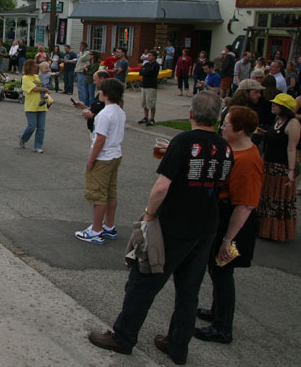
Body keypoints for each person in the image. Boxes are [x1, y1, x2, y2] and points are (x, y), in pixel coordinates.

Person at [88, 91, 233, 365]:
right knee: (189, 290)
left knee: (143, 281)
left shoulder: (183, 142)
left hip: (174, 225)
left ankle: (123, 336)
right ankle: (178, 346)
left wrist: (148, 215)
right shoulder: (225, 148)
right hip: (206, 226)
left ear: (191, 114)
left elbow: (162, 187)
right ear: (216, 118)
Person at [195, 106, 263, 345]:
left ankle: (222, 327)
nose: (221, 126)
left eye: (227, 123)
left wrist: (227, 240)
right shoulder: (234, 150)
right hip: (222, 218)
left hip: (234, 225)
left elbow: (245, 205)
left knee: (223, 272)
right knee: (216, 269)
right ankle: (216, 311)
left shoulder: (248, 162)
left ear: (241, 130)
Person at [75, 78, 125, 244]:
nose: (99, 93)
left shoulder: (104, 114)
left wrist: (91, 160)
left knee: (98, 194)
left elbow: (100, 140)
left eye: (101, 90)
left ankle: (96, 230)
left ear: (106, 94)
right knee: (111, 192)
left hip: (103, 157)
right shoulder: (119, 111)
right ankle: (109, 225)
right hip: (115, 155)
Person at [257, 93, 299, 241]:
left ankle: (276, 232)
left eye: (276, 104)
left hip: (281, 168)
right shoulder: (277, 120)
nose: (273, 105)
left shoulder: (293, 124)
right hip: (268, 165)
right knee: (266, 197)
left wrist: (291, 171)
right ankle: (263, 228)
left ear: (284, 108)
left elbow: (291, 148)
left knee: (277, 199)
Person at [19, 59, 50, 153]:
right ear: (29, 68)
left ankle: (37, 146)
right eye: (33, 67)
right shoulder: (25, 78)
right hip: (31, 105)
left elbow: (43, 71)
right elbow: (35, 88)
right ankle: (23, 138)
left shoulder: (37, 77)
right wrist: (44, 89)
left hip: (41, 105)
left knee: (41, 127)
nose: (35, 68)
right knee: (32, 126)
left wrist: (44, 67)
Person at [138, 50, 160, 127]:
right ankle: (145, 117)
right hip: (144, 85)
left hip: (151, 86)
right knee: (144, 103)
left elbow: (148, 72)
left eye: (150, 55)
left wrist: (144, 71)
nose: (148, 57)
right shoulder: (146, 64)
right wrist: (144, 71)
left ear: (154, 56)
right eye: (148, 55)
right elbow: (140, 71)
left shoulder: (156, 65)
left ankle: (152, 119)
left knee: (151, 103)